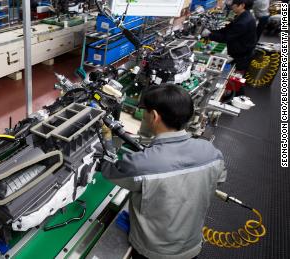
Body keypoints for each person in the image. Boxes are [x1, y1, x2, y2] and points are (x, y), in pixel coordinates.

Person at [101, 84, 227, 259]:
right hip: (191, 246)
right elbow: (219, 179)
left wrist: (107, 139)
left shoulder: (142, 164)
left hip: (153, 252)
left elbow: (109, 171)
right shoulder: (211, 151)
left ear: (154, 116)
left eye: (145, 112)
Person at [202, 0, 257, 72]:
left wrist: (209, 35)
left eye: (234, 3)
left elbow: (226, 37)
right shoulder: (243, 15)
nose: (232, 6)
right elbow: (228, 28)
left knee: (235, 72)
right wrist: (212, 31)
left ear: (242, 5)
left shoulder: (243, 22)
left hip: (241, 56)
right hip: (241, 50)